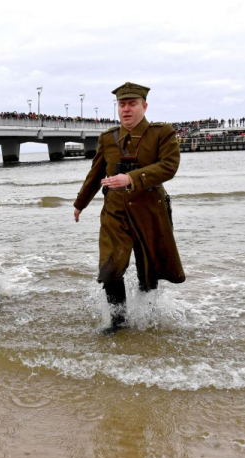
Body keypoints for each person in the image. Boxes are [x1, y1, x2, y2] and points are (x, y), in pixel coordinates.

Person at [73, 82, 185, 334]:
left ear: (144, 106)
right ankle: (118, 321)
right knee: (111, 267)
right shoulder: (107, 138)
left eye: (132, 104)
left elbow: (169, 166)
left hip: (150, 211)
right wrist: (80, 203)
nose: (126, 109)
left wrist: (132, 178)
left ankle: (149, 315)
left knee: (149, 270)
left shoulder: (162, 133)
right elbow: (95, 173)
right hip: (115, 211)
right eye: (122, 104)